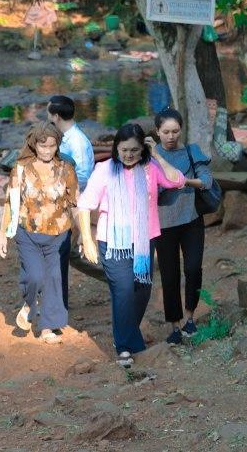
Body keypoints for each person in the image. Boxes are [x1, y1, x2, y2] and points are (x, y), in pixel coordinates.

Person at [76, 122, 186, 367]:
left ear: (142, 149)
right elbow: (84, 205)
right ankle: (127, 347)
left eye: (134, 150)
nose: (128, 155)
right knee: (123, 290)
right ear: (116, 148)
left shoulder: (151, 168)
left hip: (144, 241)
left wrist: (157, 155)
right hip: (112, 242)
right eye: (124, 150)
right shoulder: (104, 169)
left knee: (141, 291)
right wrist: (87, 239)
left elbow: (178, 180)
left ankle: (127, 334)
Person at [0, 123, 79, 344]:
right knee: (35, 277)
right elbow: (10, 203)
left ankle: (47, 328)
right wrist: (2, 235)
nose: (48, 151)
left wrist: (82, 234)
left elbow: (75, 203)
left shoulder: (66, 168)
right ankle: (29, 304)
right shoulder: (21, 168)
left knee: (54, 279)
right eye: (43, 146)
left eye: (52, 146)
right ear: (34, 145)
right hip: (27, 233)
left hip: (59, 234)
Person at [152, 108, 215, 345]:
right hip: (163, 223)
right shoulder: (151, 156)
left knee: (193, 268)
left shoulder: (191, 151)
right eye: (166, 132)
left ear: (181, 130)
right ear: (157, 132)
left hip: (191, 220)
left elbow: (206, 181)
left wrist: (184, 181)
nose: (171, 136)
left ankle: (190, 317)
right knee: (169, 275)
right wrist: (164, 183)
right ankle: (174, 325)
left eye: (175, 131)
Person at [48, 95, 95, 309]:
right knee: (67, 255)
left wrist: (57, 185)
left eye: (49, 113)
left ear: (56, 116)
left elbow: (83, 177)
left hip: (72, 206)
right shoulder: (62, 138)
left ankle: (119, 281)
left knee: (64, 254)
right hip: (59, 206)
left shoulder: (77, 141)